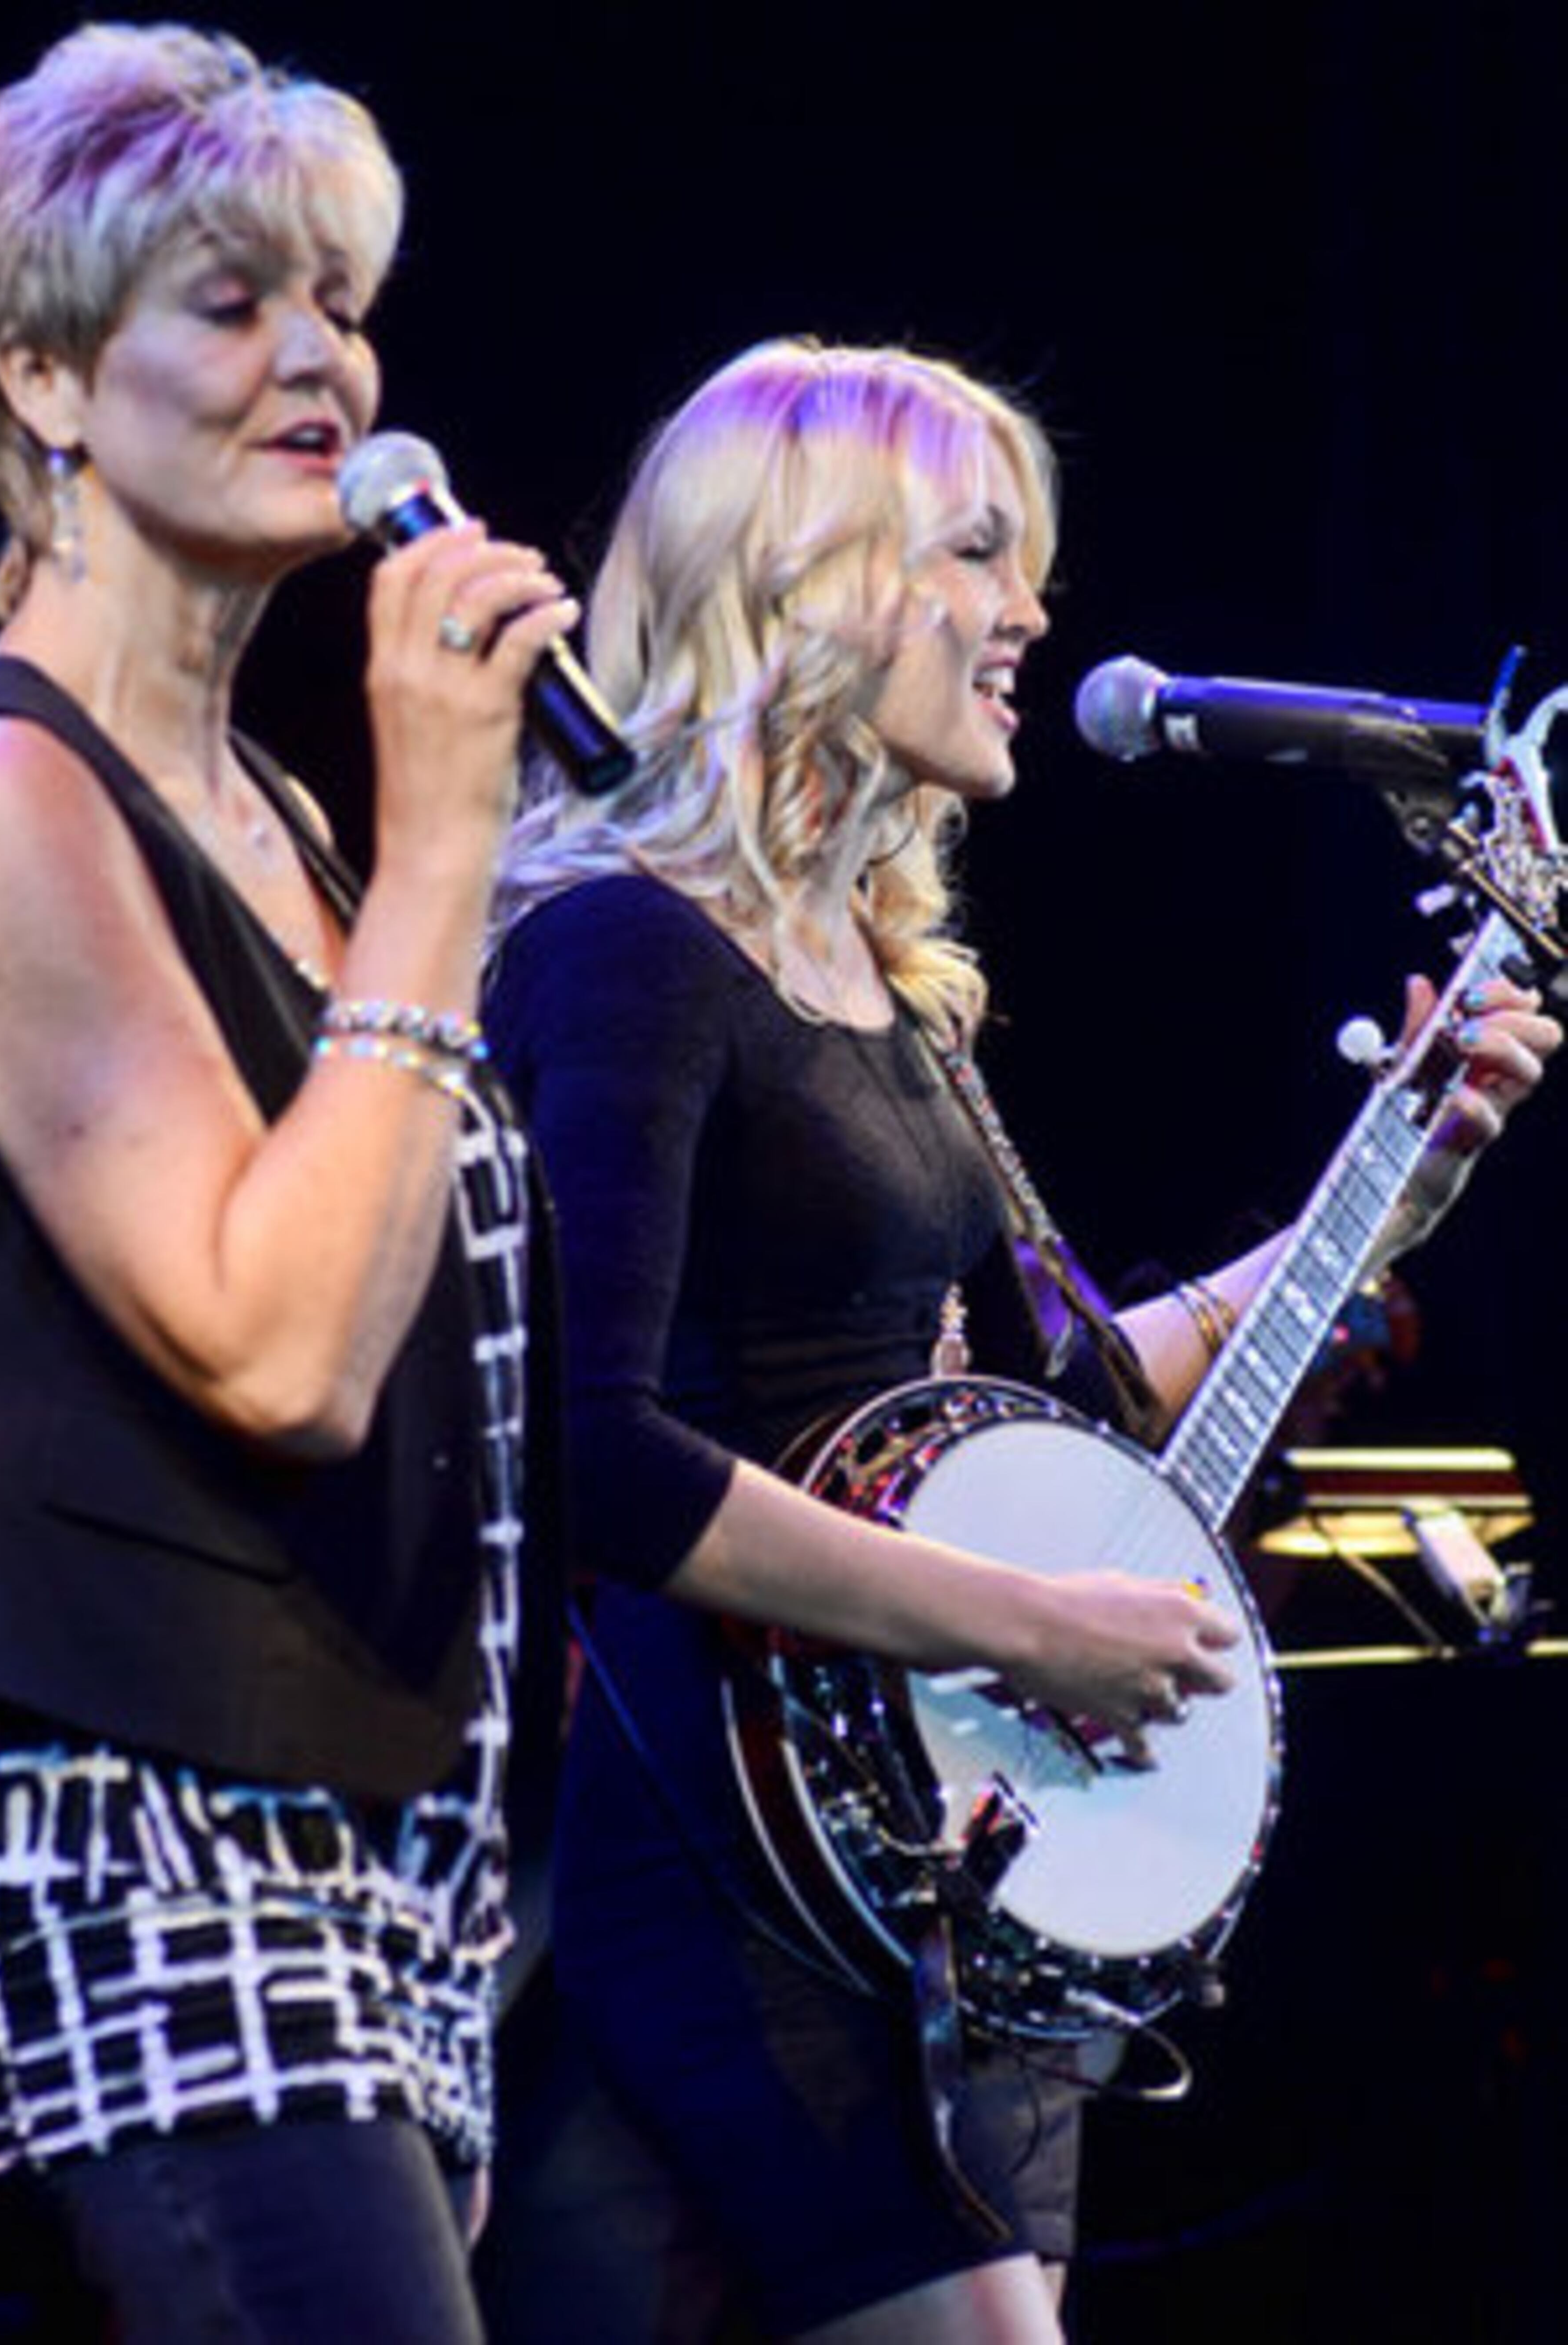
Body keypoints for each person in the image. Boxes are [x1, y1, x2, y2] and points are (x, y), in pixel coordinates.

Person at [476, 338, 1558, 2343]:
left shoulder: (900, 993)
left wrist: (1386, 1192)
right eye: (980, 554)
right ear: (809, 587)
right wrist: (1026, 1623)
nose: (1033, 617)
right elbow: (595, 1461)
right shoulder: (623, 945)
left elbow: (1070, 1407)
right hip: (730, 1844)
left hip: (934, 1856)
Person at [0, 24, 578, 2341]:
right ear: (49, 381)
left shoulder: (286, 824)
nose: (327, 360)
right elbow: (273, 1346)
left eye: (342, 303)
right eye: (232, 302)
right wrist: (456, 837)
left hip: (381, 1875)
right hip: (136, 1857)